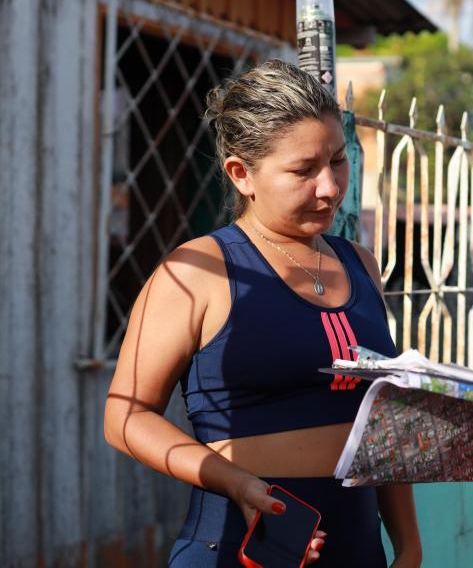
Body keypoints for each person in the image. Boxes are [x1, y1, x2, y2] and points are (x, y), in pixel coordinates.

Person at [104, 59, 421, 567]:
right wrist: (234, 482)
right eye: (303, 170)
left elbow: (382, 424)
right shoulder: (198, 270)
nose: (329, 187)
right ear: (241, 174)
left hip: (359, 549)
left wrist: (408, 547)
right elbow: (125, 417)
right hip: (241, 545)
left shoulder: (360, 264)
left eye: (338, 160)